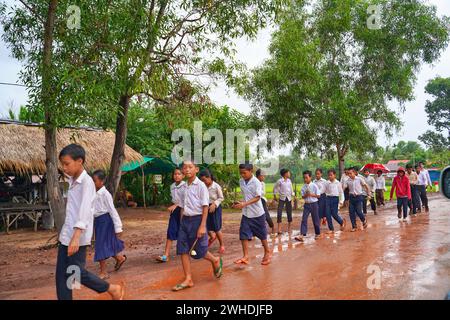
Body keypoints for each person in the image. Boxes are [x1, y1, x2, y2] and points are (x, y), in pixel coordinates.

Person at [56, 144, 124, 300]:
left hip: (77, 236)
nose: (64, 168)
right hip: (66, 235)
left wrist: (76, 236)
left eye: (67, 164)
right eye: (62, 164)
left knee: (76, 272)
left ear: (79, 161)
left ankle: (112, 289)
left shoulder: (87, 183)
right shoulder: (72, 180)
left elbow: (85, 210)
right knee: (63, 275)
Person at [172, 160, 223, 292]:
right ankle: (188, 279)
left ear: (196, 169)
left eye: (190, 167)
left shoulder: (201, 186)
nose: (187, 170)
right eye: (185, 168)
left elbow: (205, 206)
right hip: (185, 221)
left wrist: (202, 226)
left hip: (197, 220)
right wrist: (181, 222)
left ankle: (215, 260)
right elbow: (183, 206)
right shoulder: (183, 187)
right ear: (183, 171)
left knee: (199, 251)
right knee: (183, 249)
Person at [233, 163, 271, 266]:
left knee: (262, 235)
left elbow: (258, 197)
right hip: (246, 213)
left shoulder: (256, 182)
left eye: (244, 173)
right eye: (241, 173)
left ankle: (267, 252)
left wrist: (244, 204)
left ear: (251, 171)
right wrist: (239, 203)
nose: (242, 175)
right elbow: (246, 196)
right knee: (243, 234)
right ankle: (245, 256)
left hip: (257, 213)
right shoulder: (241, 181)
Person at [92, 170, 127, 279]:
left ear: (102, 182)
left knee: (101, 245)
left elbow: (112, 210)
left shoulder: (105, 194)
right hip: (98, 221)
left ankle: (103, 272)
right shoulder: (93, 193)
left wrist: (118, 227)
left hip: (105, 221)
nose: (93, 183)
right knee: (106, 244)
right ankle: (120, 258)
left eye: (95, 181)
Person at [156, 167, 186, 262]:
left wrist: (176, 205)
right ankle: (166, 255)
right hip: (175, 211)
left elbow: (186, 201)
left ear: (183, 176)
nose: (176, 176)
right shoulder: (172, 186)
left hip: (185, 211)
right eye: (175, 174)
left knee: (185, 231)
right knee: (171, 230)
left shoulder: (186, 186)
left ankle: (191, 249)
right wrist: (174, 205)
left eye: (179, 174)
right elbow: (175, 199)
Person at [199, 169, 225, 254]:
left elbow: (221, 197)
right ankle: (212, 236)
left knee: (216, 227)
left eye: (204, 180)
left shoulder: (216, 186)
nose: (203, 182)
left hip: (215, 208)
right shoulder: (202, 187)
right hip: (206, 207)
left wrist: (215, 204)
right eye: (201, 181)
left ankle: (222, 245)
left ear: (209, 177)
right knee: (205, 225)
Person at [295, 170, 321, 242]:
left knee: (315, 219)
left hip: (314, 204)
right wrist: (306, 194)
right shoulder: (303, 187)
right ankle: (302, 235)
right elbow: (303, 197)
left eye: (306, 177)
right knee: (304, 219)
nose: (305, 179)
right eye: (304, 178)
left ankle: (318, 233)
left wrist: (311, 194)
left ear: (310, 177)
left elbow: (318, 196)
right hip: (306, 205)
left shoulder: (314, 186)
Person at [344, 168, 370, 232]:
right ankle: (354, 226)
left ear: (354, 173)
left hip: (359, 197)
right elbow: (344, 188)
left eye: (350, 173)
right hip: (351, 197)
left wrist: (368, 193)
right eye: (348, 174)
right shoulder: (347, 181)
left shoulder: (359, 179)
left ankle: (363, 220)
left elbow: (366, 186)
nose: (349, 175)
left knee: (359, 211)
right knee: (351, 212)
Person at [273, 168, 295, 234]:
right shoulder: (280, 181)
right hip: (282, 199)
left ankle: (289, 229)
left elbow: (291, 190)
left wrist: (293, 197)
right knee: (279, 213)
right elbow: (275, 188)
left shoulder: (289, 181)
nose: (289, 174)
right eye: (288, 172)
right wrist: (275, 196)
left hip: (288, 198)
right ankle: (279, 229)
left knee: (289, 213)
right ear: (285, 174)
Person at [256, 169, 275, 236]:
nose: (264, 177)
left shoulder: (262, 184)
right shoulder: (253, 182)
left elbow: (263, 192)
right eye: (263, 176)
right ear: (259, 176)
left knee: (266, 215)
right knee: (254, 216)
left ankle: (272, 227)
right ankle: (254, 233)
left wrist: (258, 193)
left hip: (261, 200)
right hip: (254, 201)